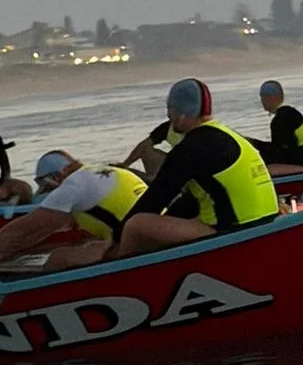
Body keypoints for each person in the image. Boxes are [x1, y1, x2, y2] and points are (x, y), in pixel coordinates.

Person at [115, 79, 279, 258]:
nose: (168, 115)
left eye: (169, 109)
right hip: (266, 220)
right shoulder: (226, 134)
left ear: (183, 115)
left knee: (136, 225)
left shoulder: (192, 146)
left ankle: (115, 272)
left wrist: (113, 238)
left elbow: (154, 199)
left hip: (234, 230)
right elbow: (192, 199)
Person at [0, 153, 149, 272]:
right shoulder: (97, 171)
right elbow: (44, 230)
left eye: (47, 187)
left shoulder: (73, 185)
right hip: (154, 227)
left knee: (60, 256)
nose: (50, 193)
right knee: (88, 243)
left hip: (138, 241)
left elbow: (30, 226)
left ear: (56, 177)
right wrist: (6, 250)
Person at [250, 81, 303, 169]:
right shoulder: (288, 112)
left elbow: (281, 149)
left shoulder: (281, 118)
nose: (262, 101)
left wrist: (252, 143)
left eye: (263, 98)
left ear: (271, 98)